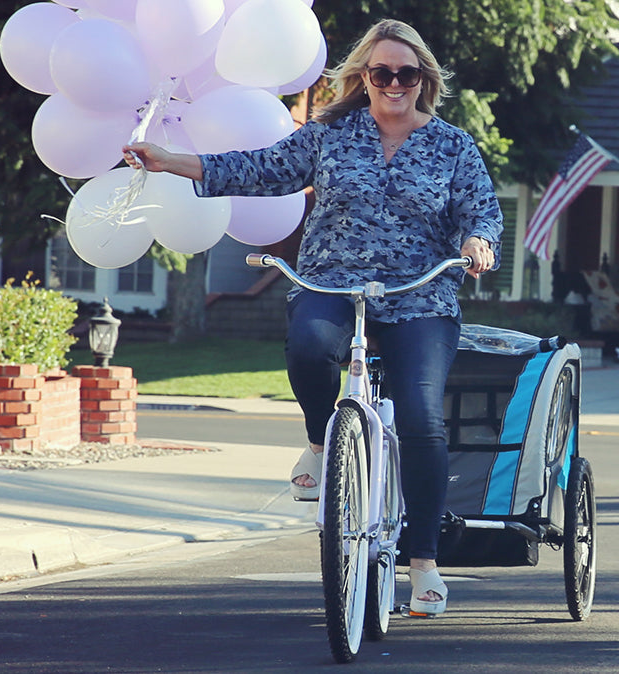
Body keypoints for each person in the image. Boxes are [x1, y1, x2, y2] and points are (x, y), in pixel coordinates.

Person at [124, 19, 499, 618]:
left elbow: (483, 210)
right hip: (331, 283)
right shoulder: (330, 135)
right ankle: (323, 439)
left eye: (406, 73)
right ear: (364, 78)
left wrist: (479, 241)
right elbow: (258, 168)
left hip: (420, 297)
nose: (394, 83)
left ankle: (424, 564)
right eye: (382, 73)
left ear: (423, 79)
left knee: (425, 420)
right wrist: (171, 160)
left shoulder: (453, 146)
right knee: (307, 349)